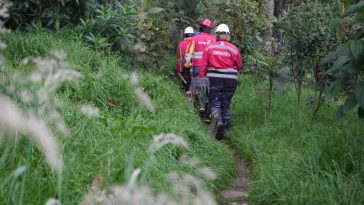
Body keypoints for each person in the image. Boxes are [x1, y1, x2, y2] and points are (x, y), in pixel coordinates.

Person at [199, 24, 243, 140]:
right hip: (230, 80)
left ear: (217, 35)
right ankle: (225, 131)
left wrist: (202, 77)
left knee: (215, 103)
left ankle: (219, 122)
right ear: (228, 35)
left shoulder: (209, 48)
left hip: (214, 79)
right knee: (226, 104)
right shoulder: (234, 49)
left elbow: (203, 65)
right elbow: (239, 66)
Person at [187, 19, 216, 120]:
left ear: (200, 27)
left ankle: (201, 105)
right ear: (209, 29)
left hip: (197, 66)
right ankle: (207, 113)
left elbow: (189, 53)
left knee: (198, 87)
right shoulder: (213, 39)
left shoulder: (194, 38)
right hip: (209, 68)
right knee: (209, 89)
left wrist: (187, 63)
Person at [176, 26, 194, 94]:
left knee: (184, 86)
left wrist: (179, 70)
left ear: (185, 34)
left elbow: (178, 59)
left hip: (183, 68)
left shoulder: (181, 44)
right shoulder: (194, 43)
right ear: (192, 34)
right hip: (192, 68)